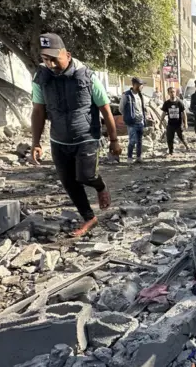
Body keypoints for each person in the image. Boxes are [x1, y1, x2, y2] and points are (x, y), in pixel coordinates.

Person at [31, 33, 121, 237]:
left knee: (86, 176)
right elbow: (38, 111)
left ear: (68, 54)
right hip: (58, 139)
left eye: (55, 58)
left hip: (86, 136)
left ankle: (100, 185)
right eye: (46, 59)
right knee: (69, 181)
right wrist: (36, 142)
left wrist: (114, 140)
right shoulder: (41, 78)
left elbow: (105, 109)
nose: (51, 63)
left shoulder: (87, 76)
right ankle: (89, 218)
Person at [119, 78, 147, 164]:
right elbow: (121, 109)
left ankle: (138, 157)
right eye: (140, 84)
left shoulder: (140, 95)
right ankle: (129, 158)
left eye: (142, 85)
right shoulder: (126, 95)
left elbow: (142, 108)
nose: (141, 86)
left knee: (139, 141)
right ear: (134, 84)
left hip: (140, 121)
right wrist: (128, 116)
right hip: (132, 122)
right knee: (132, 141)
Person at [161, 86, 189, 156]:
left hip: (179, 124)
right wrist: (160, 121)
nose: (172, 93)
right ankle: (171, 151)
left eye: (174, 92)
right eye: (171, 92)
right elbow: (164, 113)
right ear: (168, 93)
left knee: (181, 137)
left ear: (175, 93)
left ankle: (187, 146)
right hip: (170, 124)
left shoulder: (179, 102)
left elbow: (184, 114)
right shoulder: (166, 103)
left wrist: (185, 123)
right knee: (169, 138)